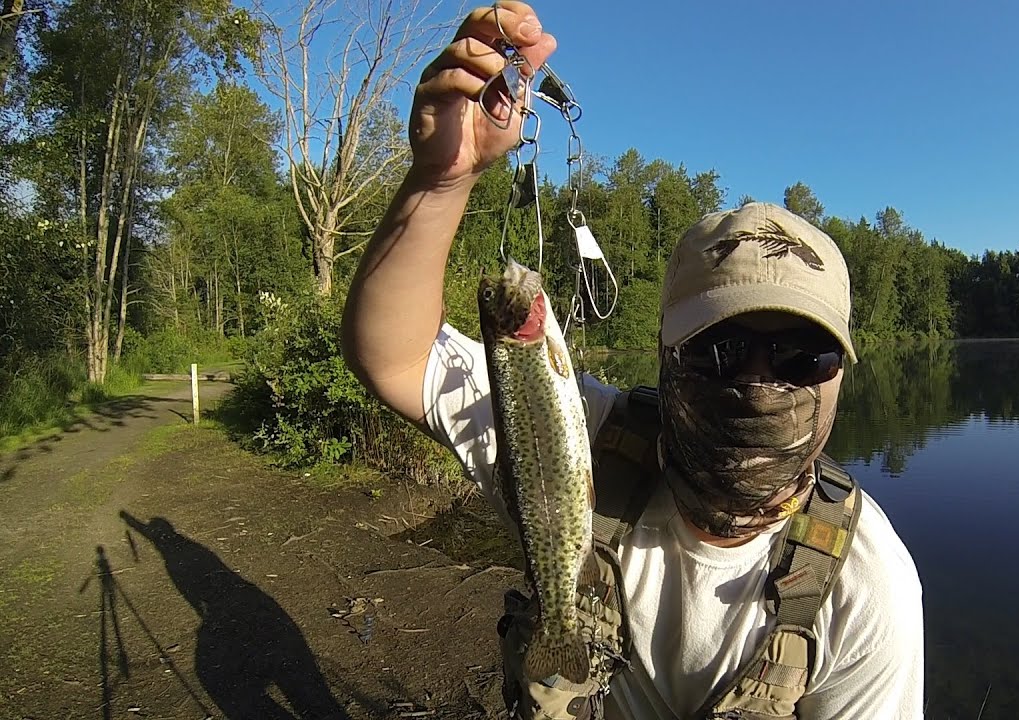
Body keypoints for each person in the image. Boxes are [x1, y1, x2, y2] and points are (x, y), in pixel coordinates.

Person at [340, 2, 924, 718]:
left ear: (841, 370)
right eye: (721, 347)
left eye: (804, 356)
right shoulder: (580, 434)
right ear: (668, 352)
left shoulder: (868, 583)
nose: (757, 380)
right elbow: (394, 359)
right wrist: (441, 180)